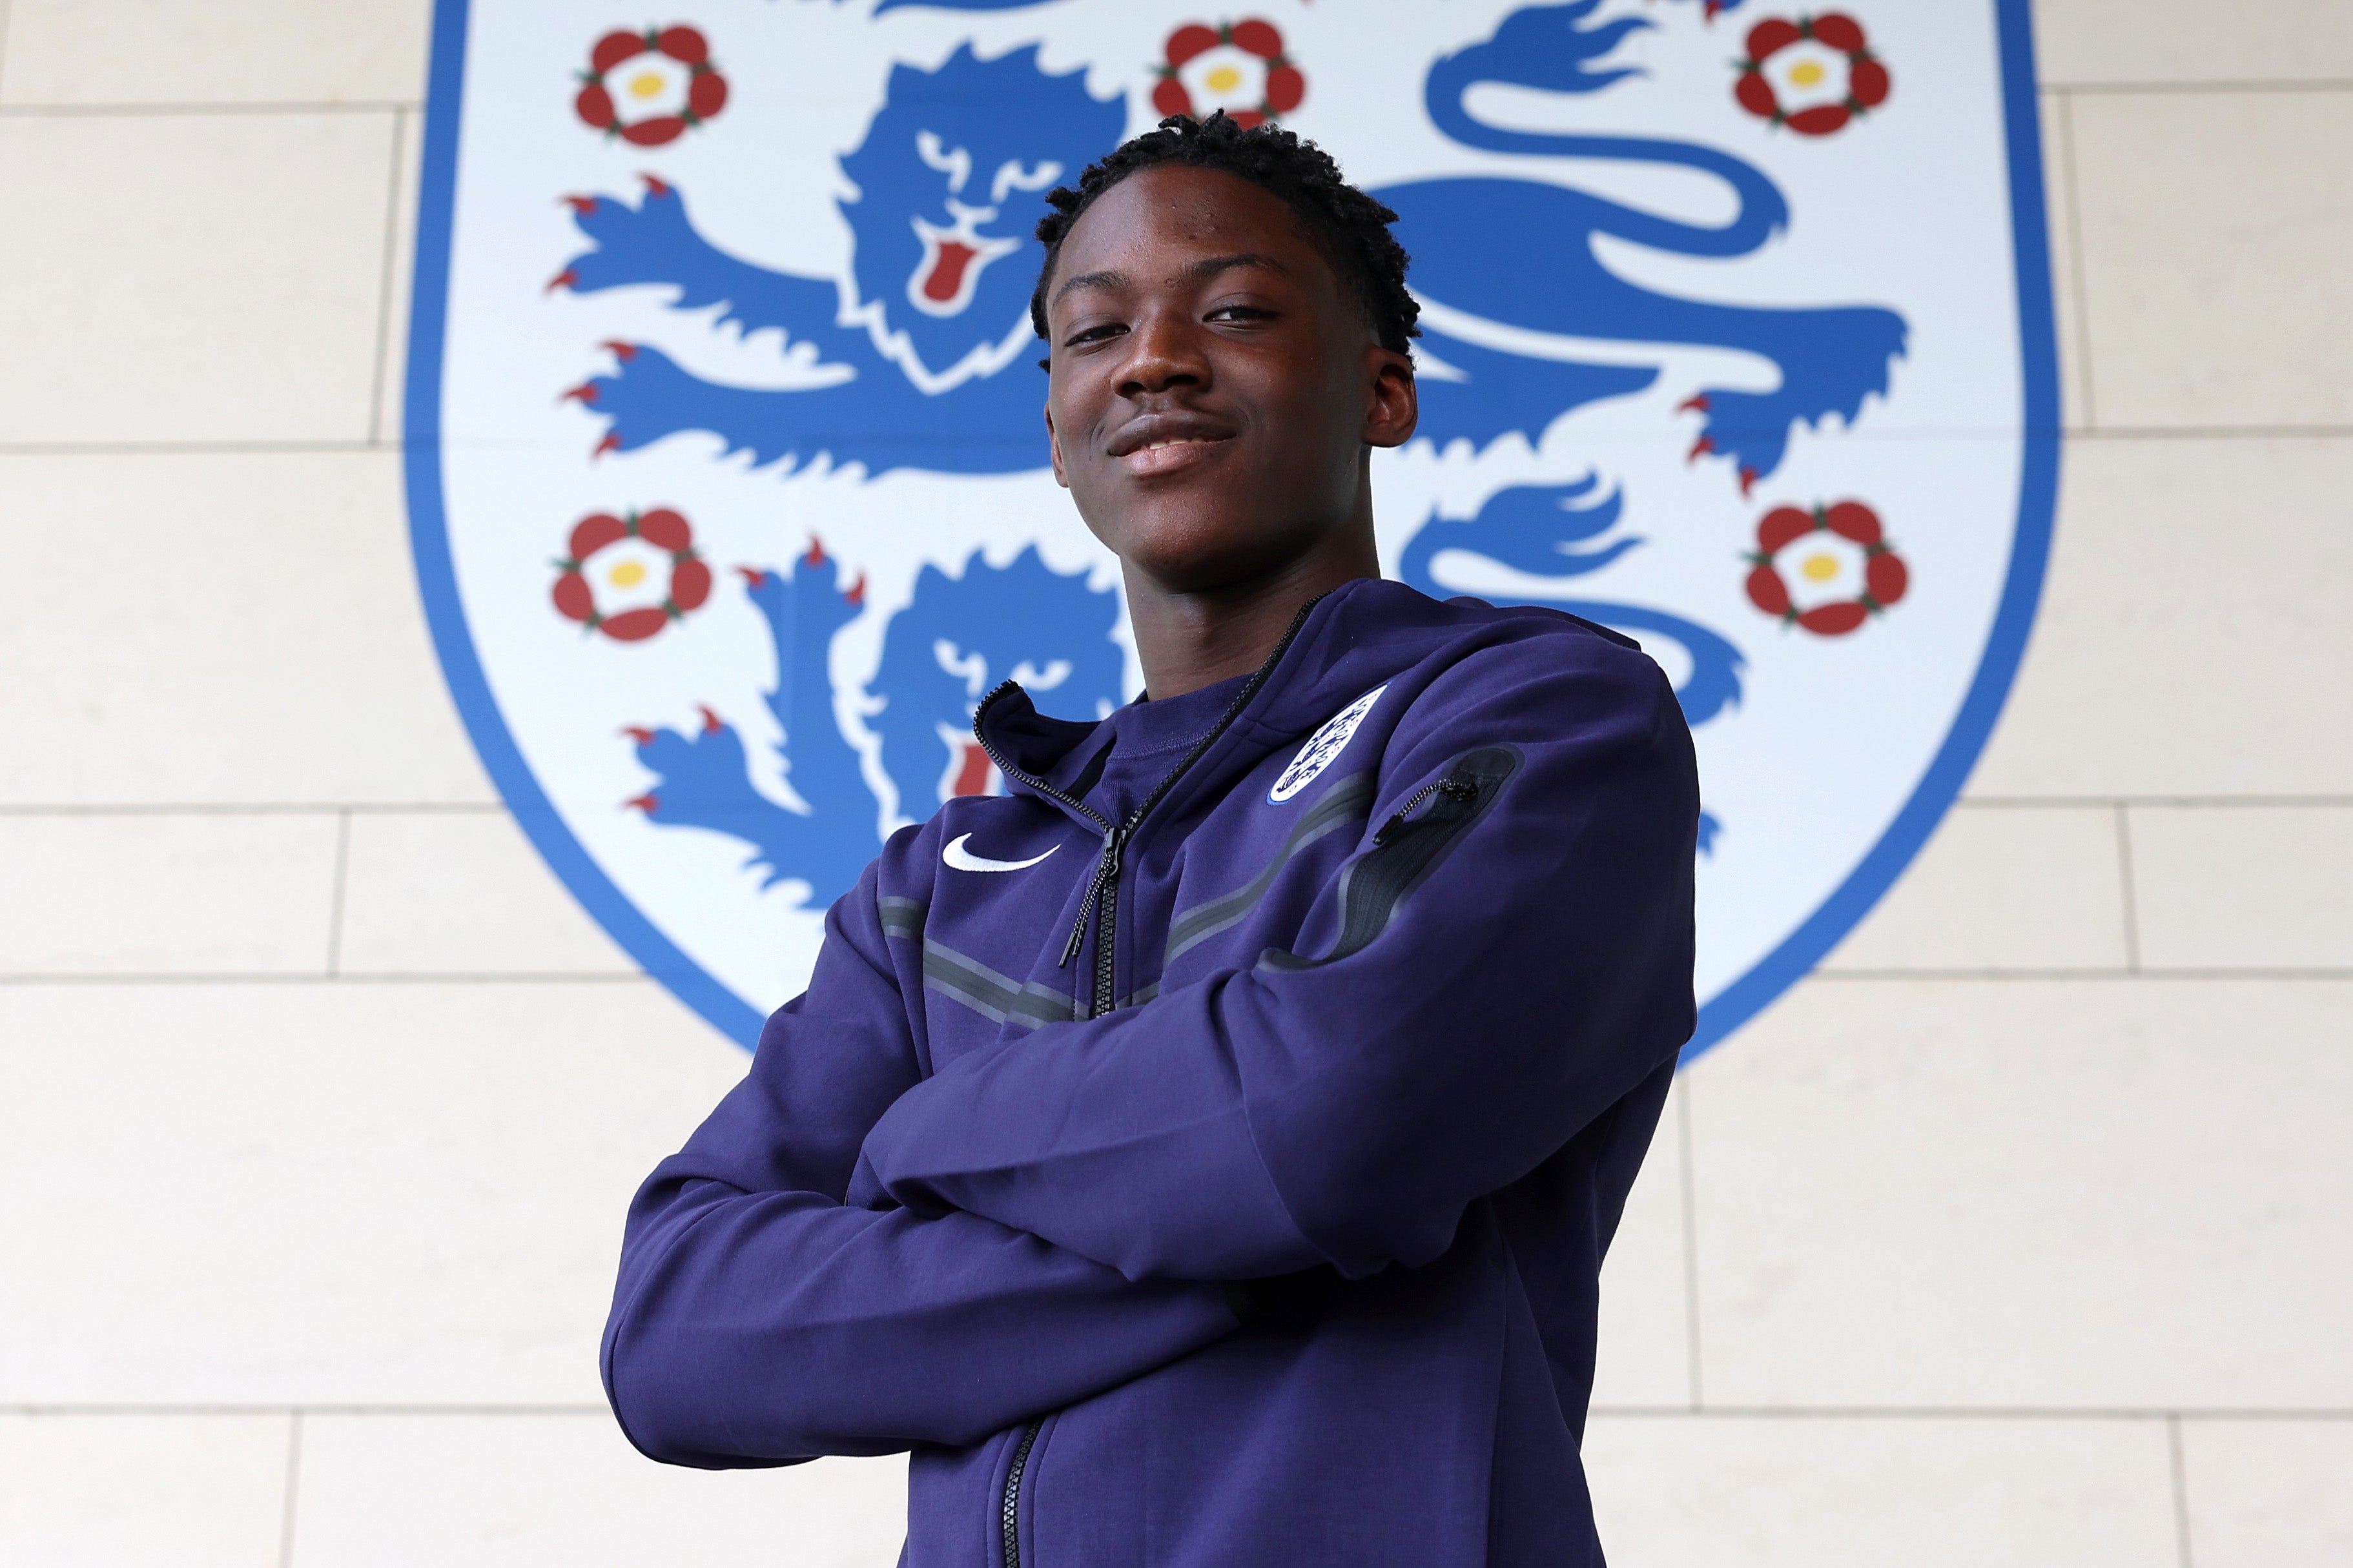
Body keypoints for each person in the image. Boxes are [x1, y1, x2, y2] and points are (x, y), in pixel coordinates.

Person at [601, 112, 1698, 1568]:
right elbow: (683, 1337)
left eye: (1235, 310)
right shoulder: (939, 891)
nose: (1154, 357)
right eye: (1092, 331)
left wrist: (921, 1136)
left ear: (1382, 389)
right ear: (1056, 428)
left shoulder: (1538, 717)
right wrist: (1254, 1239)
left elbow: (1333, 1119)